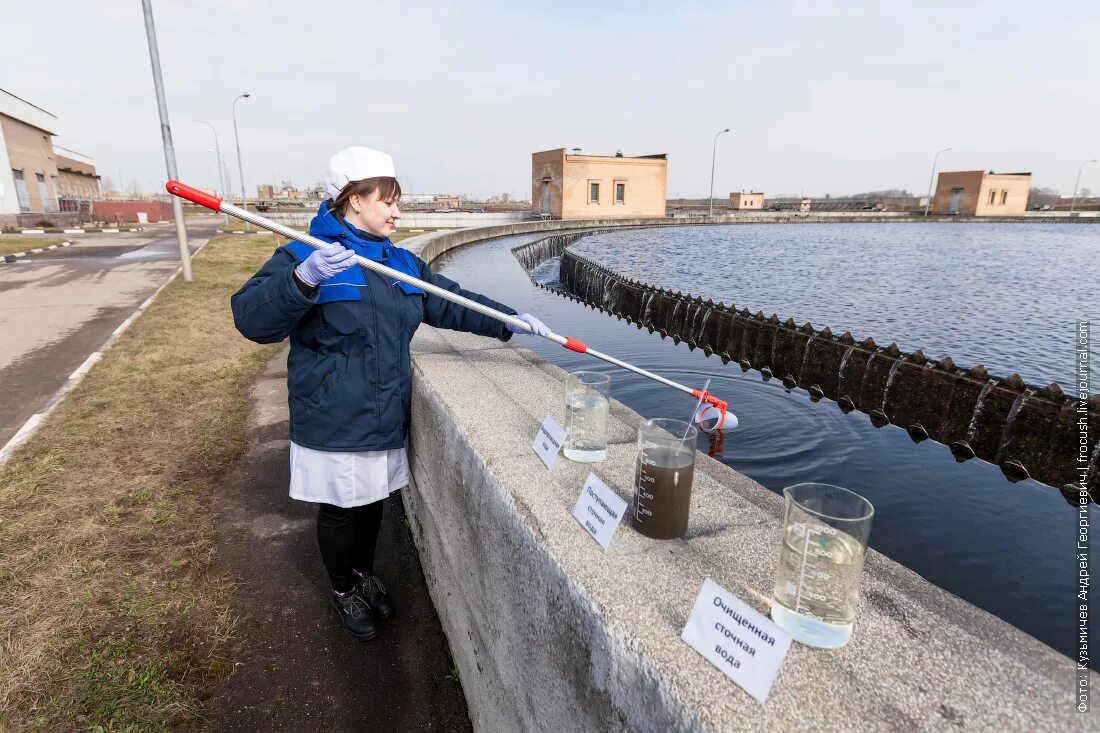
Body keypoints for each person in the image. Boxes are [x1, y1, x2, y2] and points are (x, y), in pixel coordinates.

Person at [231, 146, 549, 641]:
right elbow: (251, 318)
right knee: (340, 508)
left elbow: (451, 304)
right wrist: (303, 280)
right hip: (333, 413)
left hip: (384, 411)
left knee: (374, 500)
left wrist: (508, 321)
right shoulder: (302, 254)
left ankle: (361, 574)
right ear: (354, 200)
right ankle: (341, 589)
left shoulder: (400, 263)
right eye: (388, 201)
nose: (397, 212)